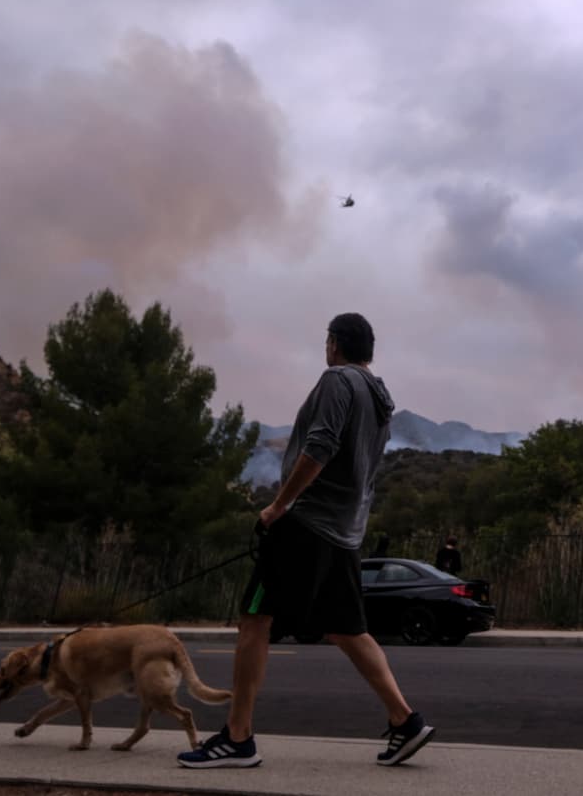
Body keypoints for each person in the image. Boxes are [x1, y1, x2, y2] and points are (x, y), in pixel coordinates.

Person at [178, 313, 435, 770]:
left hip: (308, 524)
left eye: (327, 342)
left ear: (334, 344)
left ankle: (237, 738)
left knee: (255, 620)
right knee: (347, 629)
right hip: (345, 531)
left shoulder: (337, 380)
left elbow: (320, 445)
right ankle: (405, 720)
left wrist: (279, 506)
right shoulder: (381, 400)